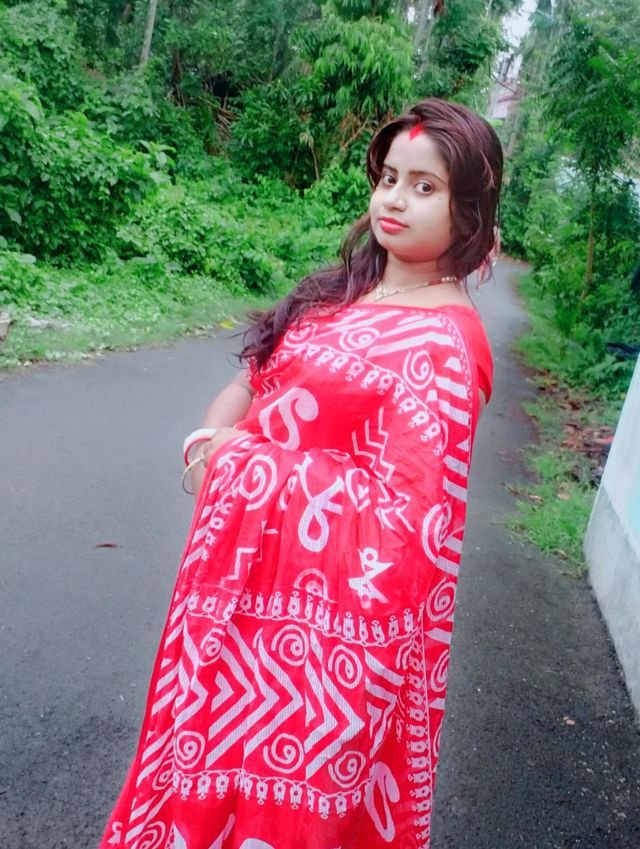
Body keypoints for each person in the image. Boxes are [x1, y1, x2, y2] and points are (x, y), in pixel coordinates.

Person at [100, 97, 502, 849]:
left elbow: (407, 529)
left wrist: (242, 466)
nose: (394, 199)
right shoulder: (342, 290)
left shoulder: (445, 349)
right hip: (232, 605)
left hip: (321, 661)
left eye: (424, 186)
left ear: (471, 210)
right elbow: (255, 378)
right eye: (389, 178)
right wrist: (210, 445)